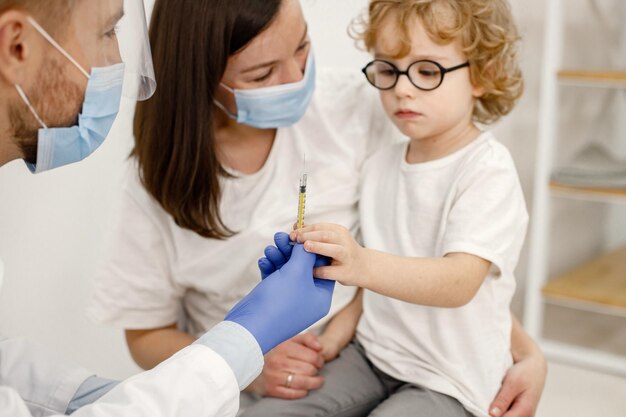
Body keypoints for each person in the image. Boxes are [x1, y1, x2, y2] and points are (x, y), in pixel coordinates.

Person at [89, 0, 546, 415]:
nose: (295, 79)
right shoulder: (155, 181)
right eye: (263, 73)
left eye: (303, 48)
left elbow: (457, 268)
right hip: (316, 365)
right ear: (201, 74)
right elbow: (145, 333)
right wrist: (247, 358)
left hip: (398, 362)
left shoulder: (372, 113)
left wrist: (526, 353)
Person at [0, 0, 335, 416]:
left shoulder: (340, 112)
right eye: (107, 34)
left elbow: (13, 382)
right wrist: (251, 337)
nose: (118, 62)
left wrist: (94, 396)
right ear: (16, 46)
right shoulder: (159, 184)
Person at [245, 0, 547, 416]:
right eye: (388, 70)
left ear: (483, 75)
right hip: (373, 356)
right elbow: (372, 291)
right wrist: (331, 339)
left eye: (427, 71)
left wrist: (361, 262)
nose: (402, 88)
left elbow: (460, 282)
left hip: (448, 379)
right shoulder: (381, 164)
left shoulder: (487, 170)